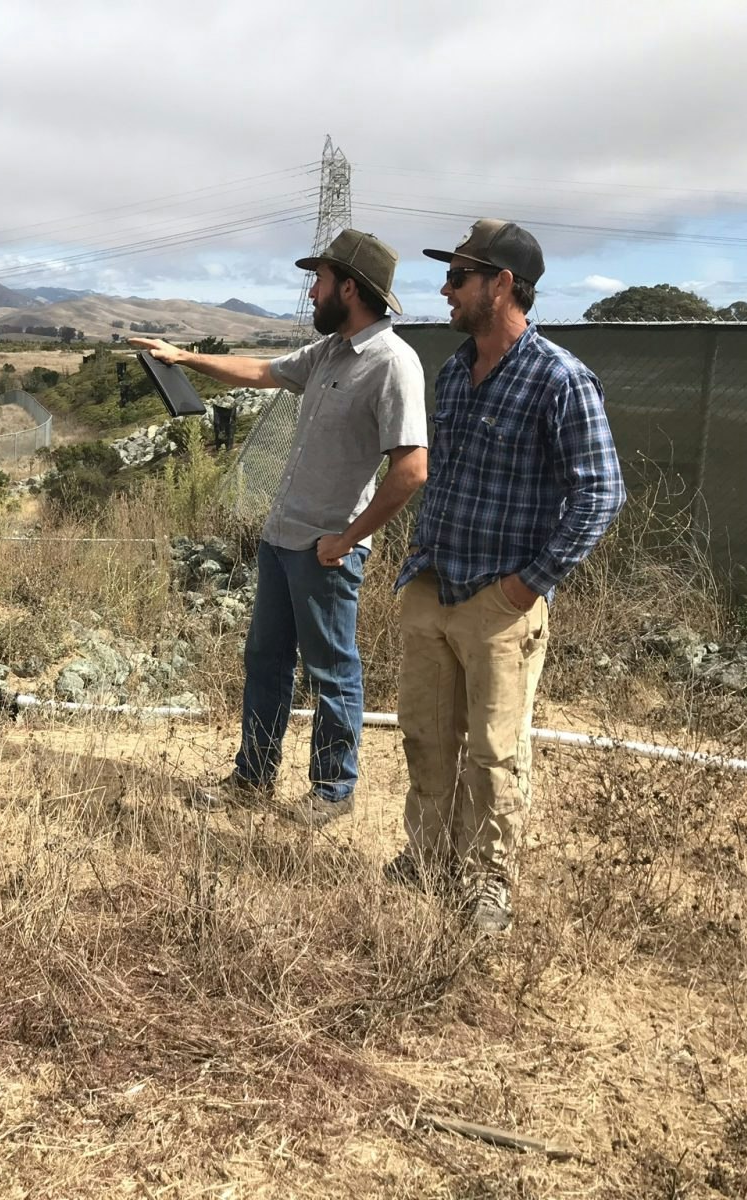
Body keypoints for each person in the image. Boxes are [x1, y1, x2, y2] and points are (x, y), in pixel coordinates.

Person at [133, 228, 427, 825]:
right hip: (281, 536)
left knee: (331, 669)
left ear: (349, 286)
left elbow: (412, 469)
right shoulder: (329, 352)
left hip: (326, 550)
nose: (312, 293)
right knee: (266, 659)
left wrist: (347, 539)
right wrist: (184, 356)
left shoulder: (394, 363)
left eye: (318, 281)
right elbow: (259, 372)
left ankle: (332, 791)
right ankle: (253, 776)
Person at [390, 219, 625, 933]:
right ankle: (427, 860)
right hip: (433, 587)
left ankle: (488, 881)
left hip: (499, 602)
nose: (445, 289)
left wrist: (529, 585)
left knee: (495, 752)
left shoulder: (560, 378)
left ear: (501, 284)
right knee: (425, 736)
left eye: (459, 276)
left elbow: (601, 492)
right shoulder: (456, 372)